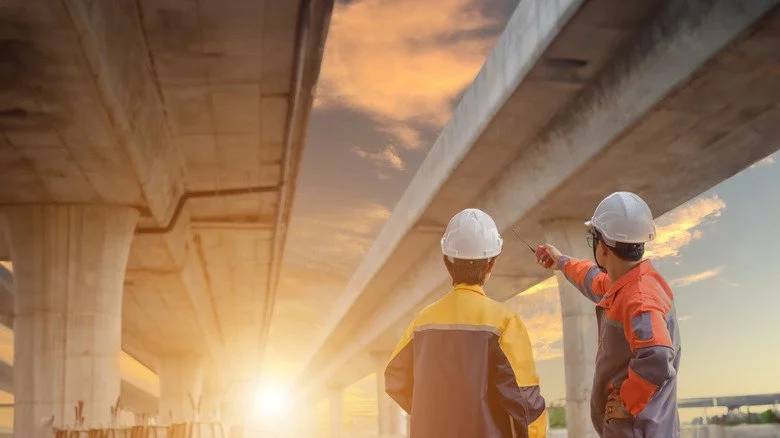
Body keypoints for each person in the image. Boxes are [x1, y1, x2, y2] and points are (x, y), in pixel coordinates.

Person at [385, 208, 547, 438]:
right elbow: (525, 402)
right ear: (491, 264)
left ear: (446, 262)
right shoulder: (505, 322)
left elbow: (395, 378)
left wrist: (435, 414)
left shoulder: (422, 322)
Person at [536, 191, 681, 437]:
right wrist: (560, 261)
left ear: (602, 246)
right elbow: (592, 278)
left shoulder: (639, 300)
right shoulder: (631, 285)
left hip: (637, 431)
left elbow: (657, 354)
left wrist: (629, 401)